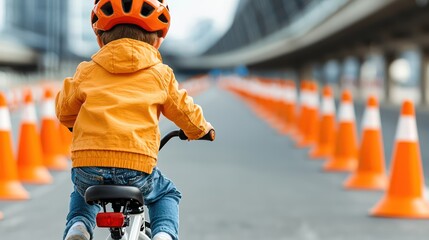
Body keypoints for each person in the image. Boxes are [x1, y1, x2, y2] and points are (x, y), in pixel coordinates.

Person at [55, 0, 214, 240]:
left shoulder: (87, 70)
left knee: (82, 190)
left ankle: (79, 226)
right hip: (136, 168)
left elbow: (64, 110)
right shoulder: (160, 74)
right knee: (166, 194)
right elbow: (184, 110)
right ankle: (164, 234)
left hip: (88, 164)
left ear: (101, 35)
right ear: (157, 38)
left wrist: (72, 122)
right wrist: (202, 130)